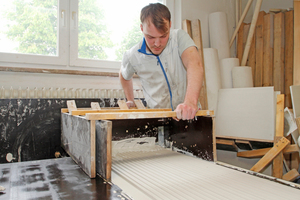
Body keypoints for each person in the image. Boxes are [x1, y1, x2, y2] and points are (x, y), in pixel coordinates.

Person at [119, 3, 203, 120]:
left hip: (189, 114)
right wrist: (130, 100)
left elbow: (195, 64)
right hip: (159, 119)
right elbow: (124, 75)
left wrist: (190, 102)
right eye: (151, 37)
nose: (157, 44)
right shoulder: (133, 55)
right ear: (142, 29)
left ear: (170, 25)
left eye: (163, 36)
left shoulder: (179, 38)